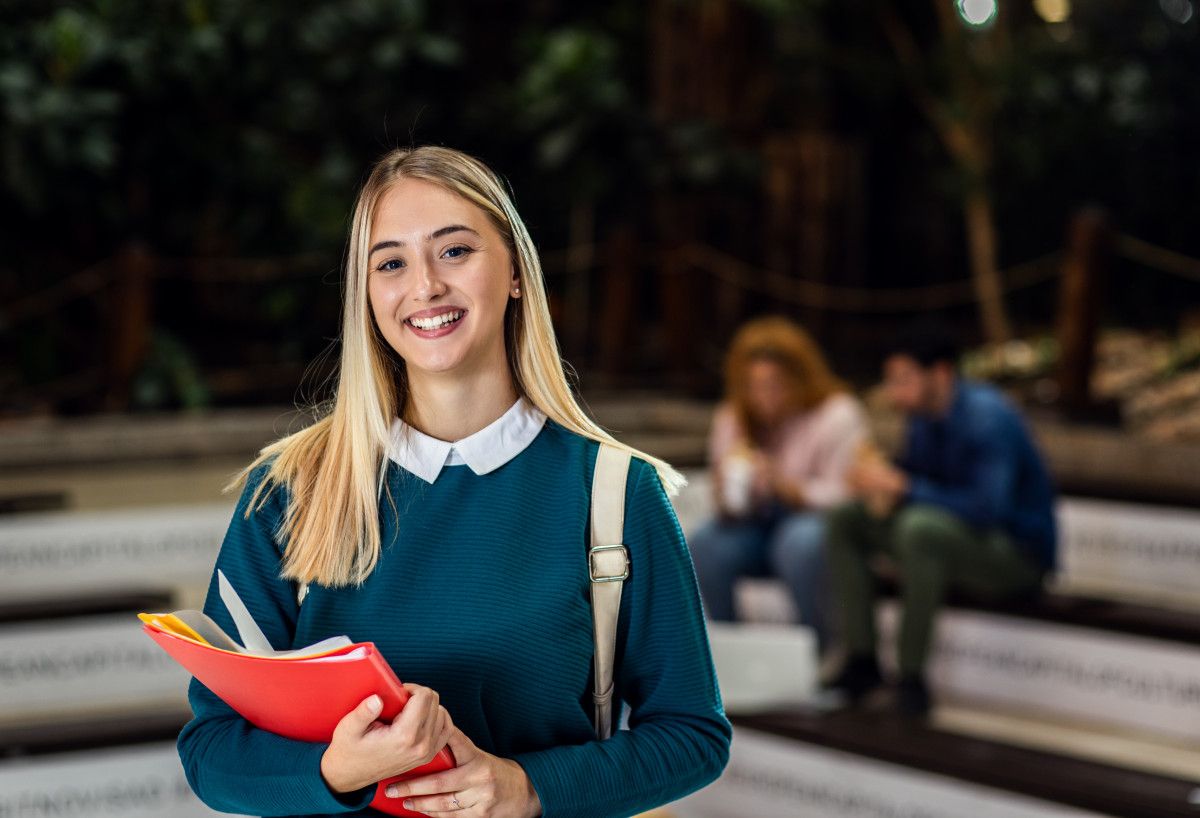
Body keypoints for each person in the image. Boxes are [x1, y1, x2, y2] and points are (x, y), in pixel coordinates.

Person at [175, 146, 731, 818]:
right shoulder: (289, 489)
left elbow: (694, 736)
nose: (425, 286)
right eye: (390, 263)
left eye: (455, 251)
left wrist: (527, 788)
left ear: (517, 273)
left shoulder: (618, 492)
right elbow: (212, 751)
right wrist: (334, 771)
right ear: (367, 294)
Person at [826, 323, 1057, 717]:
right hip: (957, 536)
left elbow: (989, 510)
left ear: (941, 373)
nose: (895, 393)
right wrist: (879, 478)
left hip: (1016, 553)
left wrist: (904, 487)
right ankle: (862, 660)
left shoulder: (989, 417)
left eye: (904, 380)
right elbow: (916, 475)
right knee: (846, 518)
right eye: (891, 381)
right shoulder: (921, 415)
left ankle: (912, 682)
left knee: (919, 530)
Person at [688, 316, 868, 651]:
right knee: (706, 543)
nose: (763, 398)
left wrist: (789, 488)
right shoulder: (734, 416)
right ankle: (729, 652)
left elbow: (847, 495)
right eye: (753, 386)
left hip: (813, 520)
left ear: (801, 378)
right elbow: (726, 503)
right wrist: (729, 493)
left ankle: (819, 649)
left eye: (775, 385)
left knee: (798, 542)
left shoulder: (837, 413)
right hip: (755, 524)